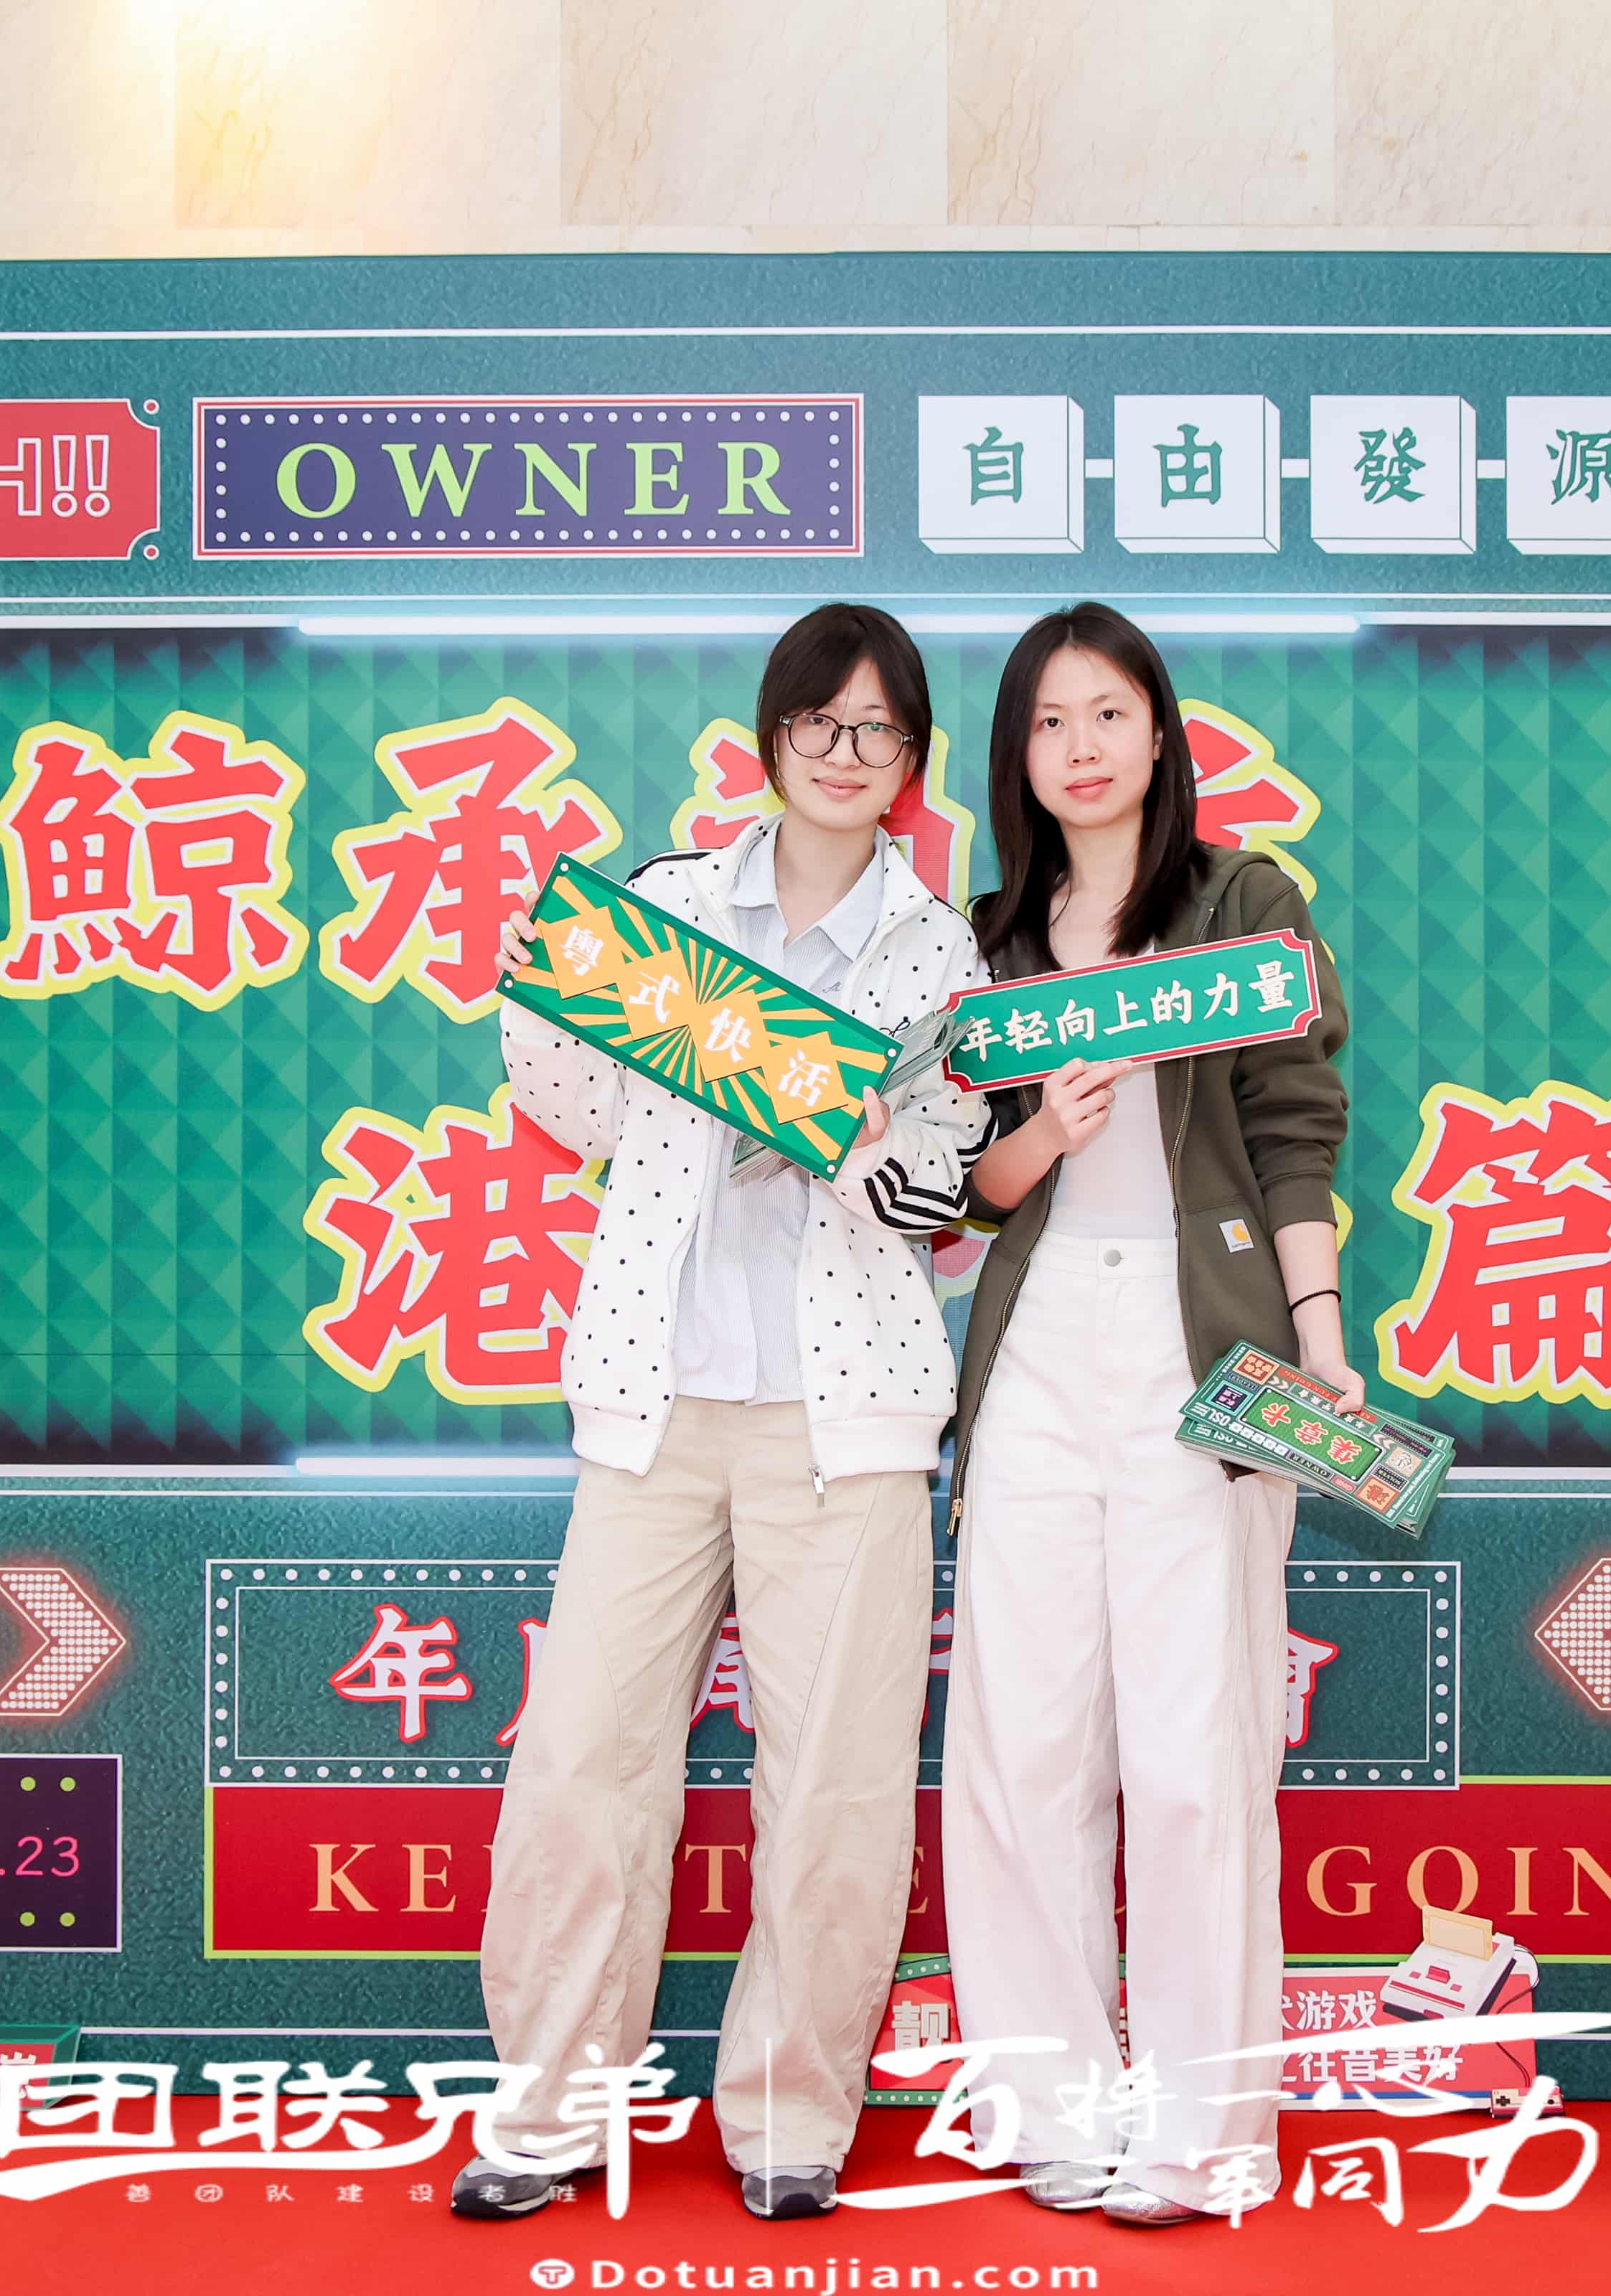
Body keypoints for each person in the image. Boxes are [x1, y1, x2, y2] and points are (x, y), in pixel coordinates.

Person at [455, 603, 995, 2225]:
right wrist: (544, 993)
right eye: (819, 723)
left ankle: (788, 2116)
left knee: (832, 1784)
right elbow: (577, 1114)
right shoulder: (666, 909)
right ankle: (548, 2113)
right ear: (771, 739)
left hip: (848, 1419)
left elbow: (953, 1180)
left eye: (879, 732)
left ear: (911, 766)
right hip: (656, 1399)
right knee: (581, 1763)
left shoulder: (937, 952)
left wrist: (882, 1148)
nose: (845, 753)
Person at [936, 602, 1355, 2228]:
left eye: (1109, 712)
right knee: (1022, 1746)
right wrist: (1042, 1130)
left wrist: (1319, 1336)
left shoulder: (1240, 906)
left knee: (1191, 1754)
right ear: (1016, 758)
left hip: (1205, 1351)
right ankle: (1050, 2108)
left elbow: (1294, 1129)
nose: (1082, 747)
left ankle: (1198, 2132)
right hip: (1038, 1343)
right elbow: (963, 1187)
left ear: (1160, 733)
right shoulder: (984, 944)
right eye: (1049, 722)